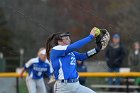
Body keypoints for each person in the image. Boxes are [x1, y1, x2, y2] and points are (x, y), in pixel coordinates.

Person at [46, 27, 110, 93]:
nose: (69, 40)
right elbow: (74, 46)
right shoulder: (56, 49)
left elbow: (82, 56)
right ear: (59, 42)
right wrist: (90, 36)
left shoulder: (70, 52)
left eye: (69, 38)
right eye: (66, 39)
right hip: (63, 87)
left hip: (76, 86)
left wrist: (97, 49)